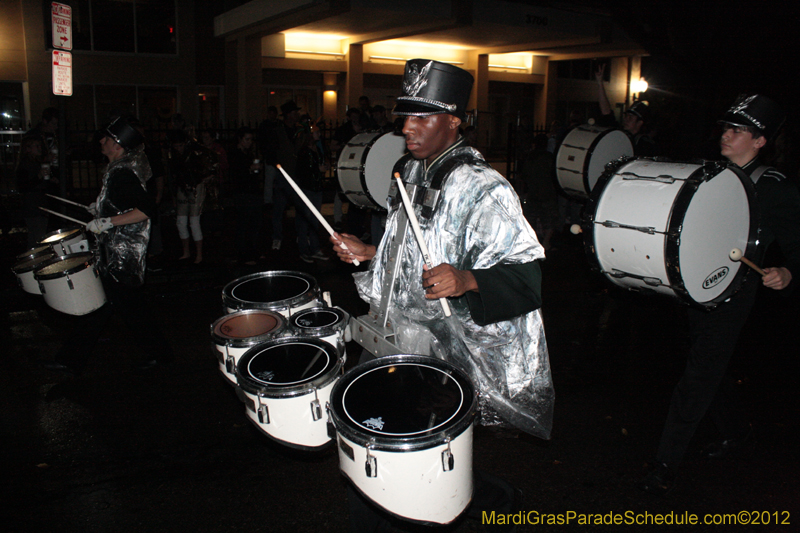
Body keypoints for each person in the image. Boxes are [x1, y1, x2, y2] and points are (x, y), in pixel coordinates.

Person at [331, 59, 553, 530]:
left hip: (445, 351)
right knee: (403, 451)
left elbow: (528, 277)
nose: (406, 127)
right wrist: (369, 252)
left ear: (454, 121)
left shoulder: (484, 188)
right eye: (405, 116)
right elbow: (404, 250)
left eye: (421, 117)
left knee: (404, 462)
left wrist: (468, 279)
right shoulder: (407, 172)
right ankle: (478, 494)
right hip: (397, 337)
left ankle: (459, 500)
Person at [641, 94, 800, 496]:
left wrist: (788, 271)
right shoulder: (711, 175)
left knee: (697, 375)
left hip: (735, 295)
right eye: (726, 128)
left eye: (737, 131)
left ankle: (665, 463)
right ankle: (736, 431)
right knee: (704, 362)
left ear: (760, 141)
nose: (725, 136)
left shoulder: (776, 189)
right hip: (695, 289)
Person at [40, 115, 173, 375]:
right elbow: (124, 203)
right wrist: (101, 209)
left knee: (120, 308)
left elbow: (146, 210)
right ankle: (159, 354)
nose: (101, 141)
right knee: (116, 307)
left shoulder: (122, 173)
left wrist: (107, 221)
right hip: (114, 253)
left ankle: (71, 359)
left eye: (107, 138)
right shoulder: (117, 169)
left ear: (118, 145)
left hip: (121, 256)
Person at [169, 130, 218, 264]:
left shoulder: (194, 153)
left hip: (195, 187)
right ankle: (187, 252)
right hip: (182, 188)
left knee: (194, 221)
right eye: (176, 146)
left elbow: (205, 168)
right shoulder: (174, 156)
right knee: (181, 222)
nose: (178, 148)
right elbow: (174, 176)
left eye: (180, 145)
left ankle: (199, 254)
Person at [594, 64, 658, 157]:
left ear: (639, 123)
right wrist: (600, 83)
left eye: (631, 117)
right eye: (626, 116)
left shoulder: (645, 145)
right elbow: (606, 112)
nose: (626, 119)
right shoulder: (619, 133)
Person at [228, 127, 264, 264]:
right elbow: (237, 173)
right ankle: (243, 254)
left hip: (253, 192)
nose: (249, 142)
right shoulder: (235, 154)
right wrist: (250, 169)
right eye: (246, 139)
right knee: (244, 224)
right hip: (243, 193)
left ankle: (253, 251)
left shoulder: (248, 153)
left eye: (251, 139)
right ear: (240, 139)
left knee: (255, 224)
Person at [16, 135, 57, 247]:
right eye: (36, 146)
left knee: (39, 233)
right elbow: (23, 186)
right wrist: (39, 176)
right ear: (28, 149)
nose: (40, 148)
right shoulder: (25, 165)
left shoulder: (37, 163)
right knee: (37, 235)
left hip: (40, 202)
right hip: (32, 205)